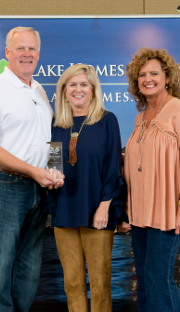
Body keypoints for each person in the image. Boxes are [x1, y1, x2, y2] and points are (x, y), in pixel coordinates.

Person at [0, 26, 58, 312]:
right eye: (20, 48)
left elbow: (51, 138)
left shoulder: (38, 90)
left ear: (38, 54)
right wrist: (33, 171)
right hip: (6, 185)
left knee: (30, 266)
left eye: (32, 49)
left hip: (40, 187)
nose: (26, 54)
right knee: (0, 266)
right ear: (7, 52)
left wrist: (54, 170)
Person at [124, 47, 180, 312]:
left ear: (168, 77)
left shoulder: (179, 110)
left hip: (168, 211)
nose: (147, 79)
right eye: (142, 75)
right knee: (147, 281)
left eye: (154, 73)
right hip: (140, 214)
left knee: (158, 278)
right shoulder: (140, 118)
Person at [46, 64, 127, 312]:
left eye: (84, 84)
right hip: (65, 210)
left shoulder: (107, 121)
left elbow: (113, 167)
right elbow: (53, 164)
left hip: (97, 211)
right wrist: (52, 178)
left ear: (93, 90)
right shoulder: (56, 124)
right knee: (71, 283)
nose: (78, 89)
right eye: (72, 84)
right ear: (64, 90)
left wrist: (105, 207)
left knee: (100, 284)